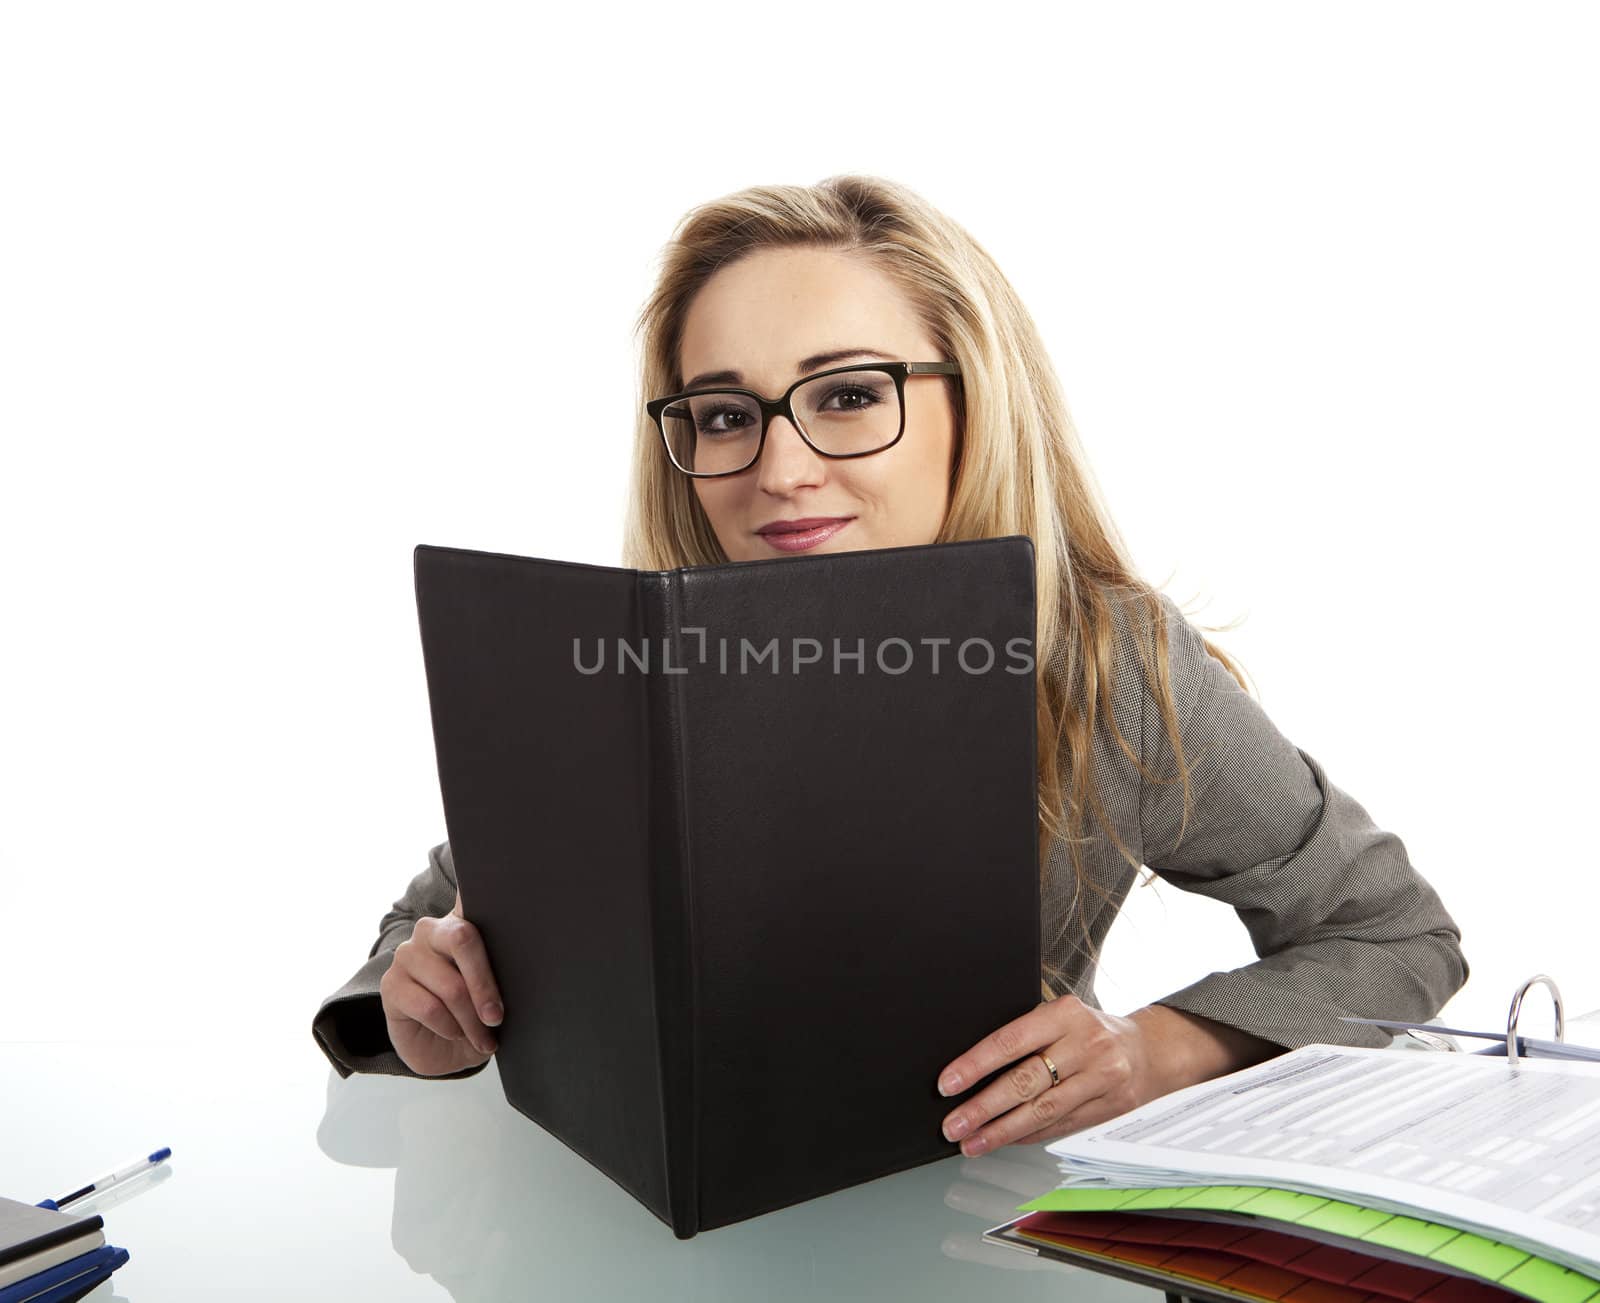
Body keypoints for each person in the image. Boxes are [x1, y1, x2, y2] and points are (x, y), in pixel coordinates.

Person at [311, 174, 1467, 1158]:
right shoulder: (623, 667)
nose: (782, 468)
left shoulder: (1102, 666)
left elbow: (1393, 934)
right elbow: (421, 932)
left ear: (975, 401)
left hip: (965, 1229)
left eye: (850, 395)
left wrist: (1154, 1051)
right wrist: (419, 1013)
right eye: (724, 414)